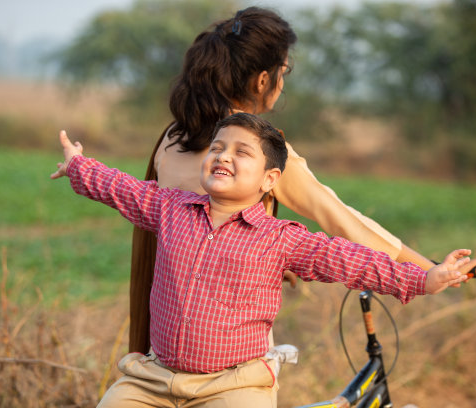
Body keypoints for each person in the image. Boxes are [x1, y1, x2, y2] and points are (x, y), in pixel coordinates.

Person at [51, 112, 476, 408]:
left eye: (242, 152)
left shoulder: (281, 239)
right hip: (154, 377)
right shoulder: (169, 208)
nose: (223, 156)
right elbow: (119, 188)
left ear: (270, 179)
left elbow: (351, 259)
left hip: (234, 384)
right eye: (217, 147)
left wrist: (424, 278)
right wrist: (77, 165)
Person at [129, 6, 437, 356]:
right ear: (263, 79)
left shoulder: (173, 136)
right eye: (283, 71)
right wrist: (428, 268)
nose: (283, 82)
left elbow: (190, 238)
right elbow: (340, 218)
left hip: (167, 336)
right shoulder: (260, 152)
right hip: (231, 348)